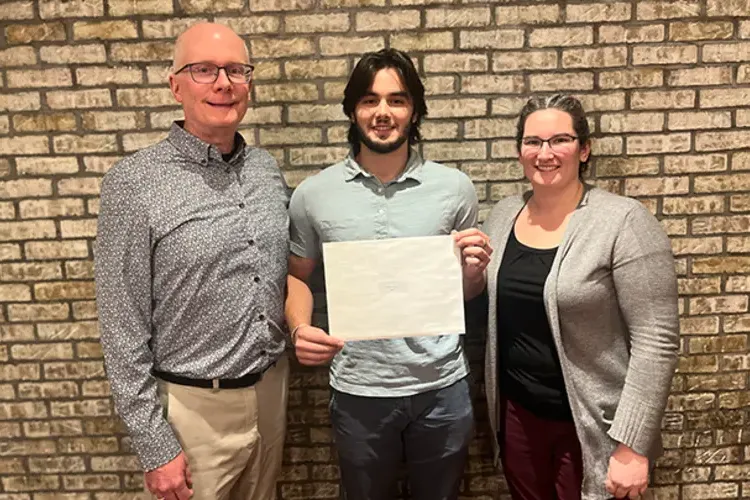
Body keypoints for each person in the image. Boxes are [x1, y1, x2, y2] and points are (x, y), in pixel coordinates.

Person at [284, 48, 492, 500]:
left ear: (414, 109)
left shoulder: (454, 188)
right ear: (352, 109)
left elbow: (465, 294)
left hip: (441, 386)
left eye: (396, 100)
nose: (383, 112)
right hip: (359, 388)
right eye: (369, 100)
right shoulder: (313, 194)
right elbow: (297, 275)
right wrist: (299, 327)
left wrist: (474, 272)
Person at [95, 23, 290, 500]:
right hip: (191, 412)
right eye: (203, 70)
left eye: (236, 70)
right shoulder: (133, 183)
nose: (223, 83)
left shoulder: (265, 170)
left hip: (270, 395)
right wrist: (155, 444)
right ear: (175, 84)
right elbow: (121, 323)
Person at [474, 94, 679, 500]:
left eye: (559, 140)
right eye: (533, 142)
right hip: (518, 418)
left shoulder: (623, 221)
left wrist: (633, 444)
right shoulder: (502, 215)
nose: (545, 153)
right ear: (520, 151)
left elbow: (657, 341)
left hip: (592, 425)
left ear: (583, 150)